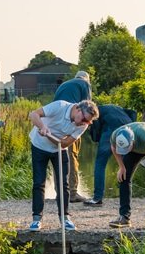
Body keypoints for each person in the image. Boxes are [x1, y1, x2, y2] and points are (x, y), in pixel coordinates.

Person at [27, 99, 99, 231]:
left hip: (59, 149)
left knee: (63, 184)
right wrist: (42, 127)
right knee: (39, 182)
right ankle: (36, 219)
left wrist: (49, 135)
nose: (84, 123)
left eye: (87, 122)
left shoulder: (83, 125)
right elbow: (33, 115)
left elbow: (65, 143)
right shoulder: (59, 106)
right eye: (83, 119)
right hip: (39, 146)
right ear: (77, 109)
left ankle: (65, 218)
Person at [83, 104, 137, 207]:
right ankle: (126, 197)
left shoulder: (96, 113)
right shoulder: (118, 108)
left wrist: (96, 137)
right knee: (127, 164)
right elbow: (132, 113)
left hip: (111, 130)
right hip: (129, 129)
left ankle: (97, 198)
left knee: (100, 163)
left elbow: (96, 133)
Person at [53, 71, 92, 203]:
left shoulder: (65, 84)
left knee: (58, 156)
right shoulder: (85, 84)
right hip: (73, 122)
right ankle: (73, 193)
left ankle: (60, 192)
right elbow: (88, 106)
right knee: (71, 156)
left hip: (56, 123)